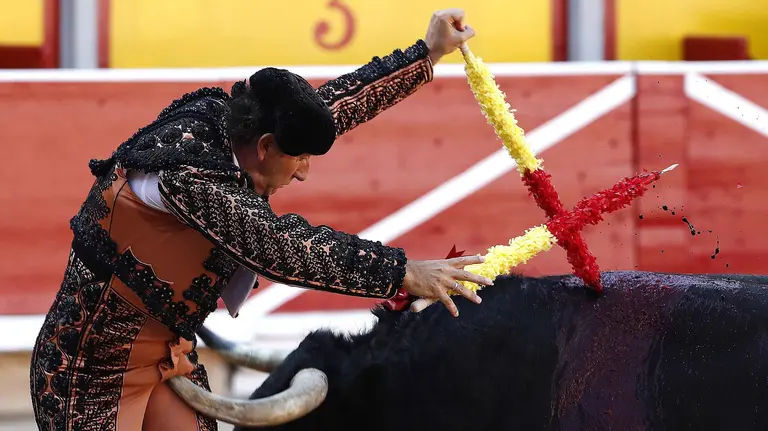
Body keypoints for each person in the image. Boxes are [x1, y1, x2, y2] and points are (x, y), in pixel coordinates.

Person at [29, 8, 491, 431]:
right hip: (87, 374)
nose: (305, 172)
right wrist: (403, 272)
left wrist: (427, 52)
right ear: (267, 147)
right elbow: (275, 245)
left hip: (169, 362)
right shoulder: (188, 175)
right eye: (301, 158)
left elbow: (330, 107)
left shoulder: (237, 128)